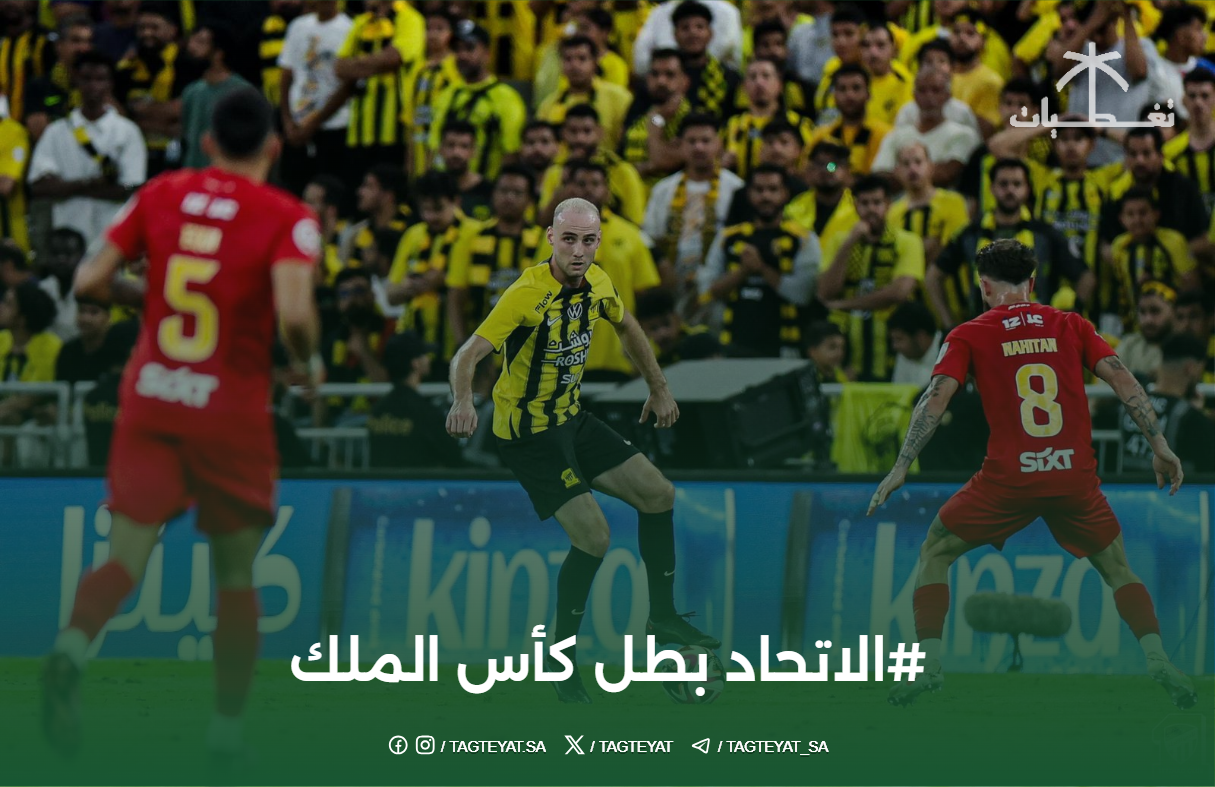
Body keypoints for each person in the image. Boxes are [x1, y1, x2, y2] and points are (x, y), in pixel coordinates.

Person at [43, 88, 323, 761]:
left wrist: (153, 301)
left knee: (123, 559)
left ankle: (72, 649)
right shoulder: (288, 217)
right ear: (274, 146)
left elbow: (88, 283)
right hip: (229, 412)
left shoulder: (161, 194)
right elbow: (292, 314)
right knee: (235, 577)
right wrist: (308, 361)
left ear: (207, 143)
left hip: (153, 399)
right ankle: (225, 732)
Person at [868, 238, 1196, 711]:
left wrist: (902, 464)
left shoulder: (968, 334)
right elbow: (1125, 380)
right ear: (1033, 282)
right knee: (1118, 569)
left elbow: (936, 398)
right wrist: (1159, 444)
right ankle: (1158, 658)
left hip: (1008, 480)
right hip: (1072, 477)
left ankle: (929, 665)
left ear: (984, 287)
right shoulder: (1071, 324)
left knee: (935, 551)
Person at [445, 196, 719, 705]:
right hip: (528, 434)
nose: (578, 250)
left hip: (571, 419)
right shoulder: (525, 294)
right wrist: (463, 399)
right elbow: (468, 353)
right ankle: (560, 654)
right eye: (569, 239)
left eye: (588, 241)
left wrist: (658, 387)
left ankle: (662, 617)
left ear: (597, 242)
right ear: (551, 237)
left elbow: (628, 325)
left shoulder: (599, 282)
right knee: (595, 537)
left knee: (659, 494)